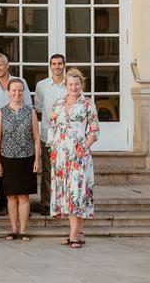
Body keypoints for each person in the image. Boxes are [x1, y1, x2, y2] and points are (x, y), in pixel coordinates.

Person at [49, 68, 99, 249]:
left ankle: (73, 235)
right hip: (61, 154)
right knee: (69, 192)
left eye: (77, 84)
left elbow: (94, 131)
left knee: (77, 192)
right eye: (70, 84)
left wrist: (83, 148)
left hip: (79, 154)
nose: (74, 87)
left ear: (81, 84)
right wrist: (53, 147)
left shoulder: (87, 104)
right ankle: (80, 232)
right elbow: (52, 126)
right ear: (66, 85)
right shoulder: (58, 103)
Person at [0, 53, 32, 216]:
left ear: (7, 65)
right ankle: (3, 200)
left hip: (21, 130)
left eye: (0, 65)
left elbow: (28, 106)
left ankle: (23, 203)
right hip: (1, 131)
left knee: (22, 168)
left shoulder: (20, 82)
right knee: (2, 167)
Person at [0, 79, 40, 241]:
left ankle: (23, 230)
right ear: (8, 92)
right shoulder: (1, 112)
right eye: (13, 90)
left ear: (23, 92)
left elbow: (36, 138)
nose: (17, 93)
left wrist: (37, 160)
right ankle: (13, 229)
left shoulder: (30, 112)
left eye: (20, 90)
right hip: (8, 158)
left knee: (24, 197)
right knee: (11, 196)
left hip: (27, 158)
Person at [34, 54, 67, 215]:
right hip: (48, 135)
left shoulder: (70, 85)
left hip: (66, 137)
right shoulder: (42, 86)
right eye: (54, 64)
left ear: (64, 65)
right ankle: (46, 205)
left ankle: (62, 204)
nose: (57, 67)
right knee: (48, 171)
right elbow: (39, 108)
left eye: (60, 63)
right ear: (50, 66)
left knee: (64, 171)